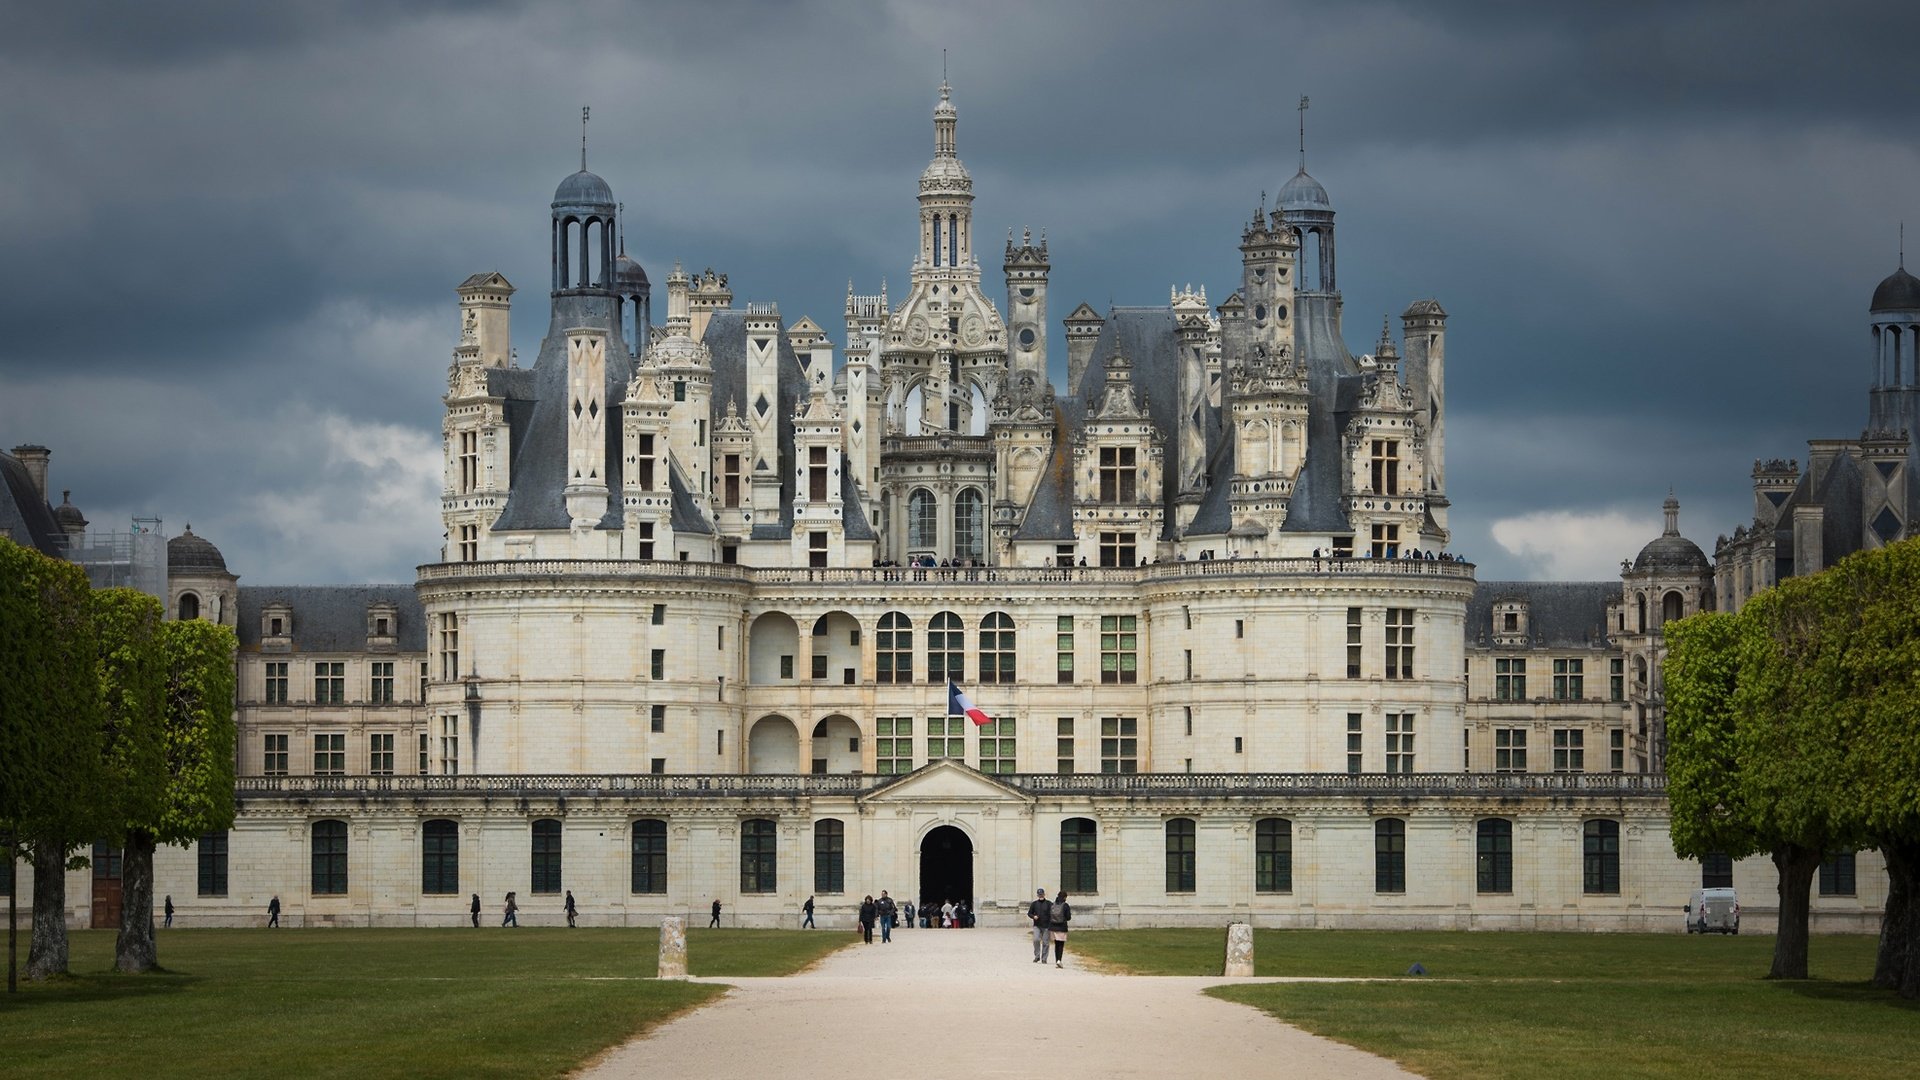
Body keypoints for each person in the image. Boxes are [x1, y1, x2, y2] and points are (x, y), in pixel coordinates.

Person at [1027, 887, 1051, 963]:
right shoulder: (1034, 904)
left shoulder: (1049, 903)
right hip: (1037, 925)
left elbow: (1052, 913)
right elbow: (1029, 913)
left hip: (1046, 925)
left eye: (1042, 894)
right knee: (1036, 940)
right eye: (1039, 894)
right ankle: (1037, 956)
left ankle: (1044, 958)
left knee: (1045, 942)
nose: (1040, 896)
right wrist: (1033, 916)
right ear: (1037, 895)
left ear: (1044, 894)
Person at [1049, 891, 1072, 967]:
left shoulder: (1053, 904)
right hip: (1062, 927)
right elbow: (1068, 917)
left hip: (1053, 927)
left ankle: (1056, 960)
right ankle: (1059, 960)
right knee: (1061, 945)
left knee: (1056, 944)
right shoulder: (1065, 905)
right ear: (1065, 897)